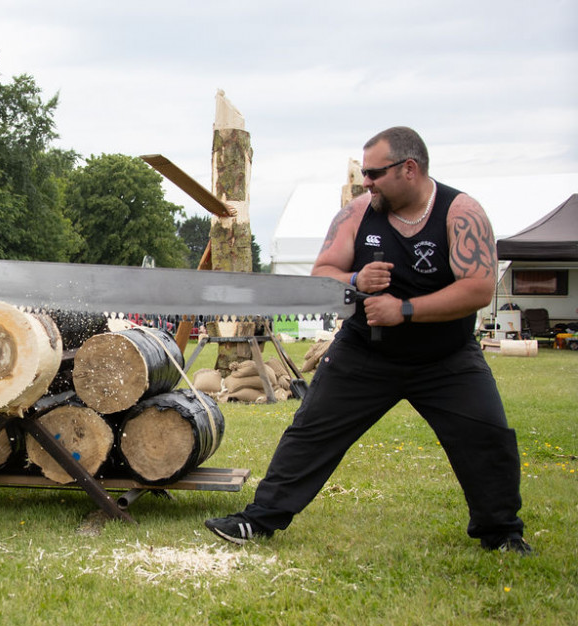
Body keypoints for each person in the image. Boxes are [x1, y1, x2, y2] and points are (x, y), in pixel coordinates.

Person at [205, 127, 530, 555]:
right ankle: (258, 520)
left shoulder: (460, 213)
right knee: (310, 433)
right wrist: (355, 279)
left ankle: (502, 533)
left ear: (408, 169)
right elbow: (322, 274)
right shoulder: (357, 214)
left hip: (445, 357)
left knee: (487, 438)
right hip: (365, 352)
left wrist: (405, 309)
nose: (367, 181)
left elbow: (478, 288)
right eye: (365, 173)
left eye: (375, 172)